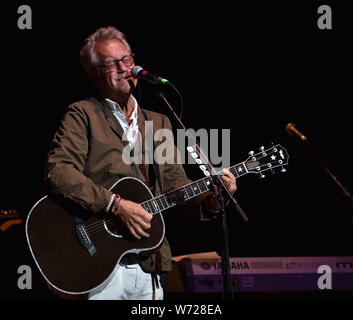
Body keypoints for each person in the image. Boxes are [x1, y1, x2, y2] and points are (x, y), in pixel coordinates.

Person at [44, 26, 237, 300]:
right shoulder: (82, 114)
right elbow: (59, 173)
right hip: (100, 265)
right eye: (112, 63)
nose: (124, 68)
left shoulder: (158, 121)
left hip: (151, 263)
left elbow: (175, 186)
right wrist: (115, 205)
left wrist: (212, 196)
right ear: (94, 74)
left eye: (128, 59)